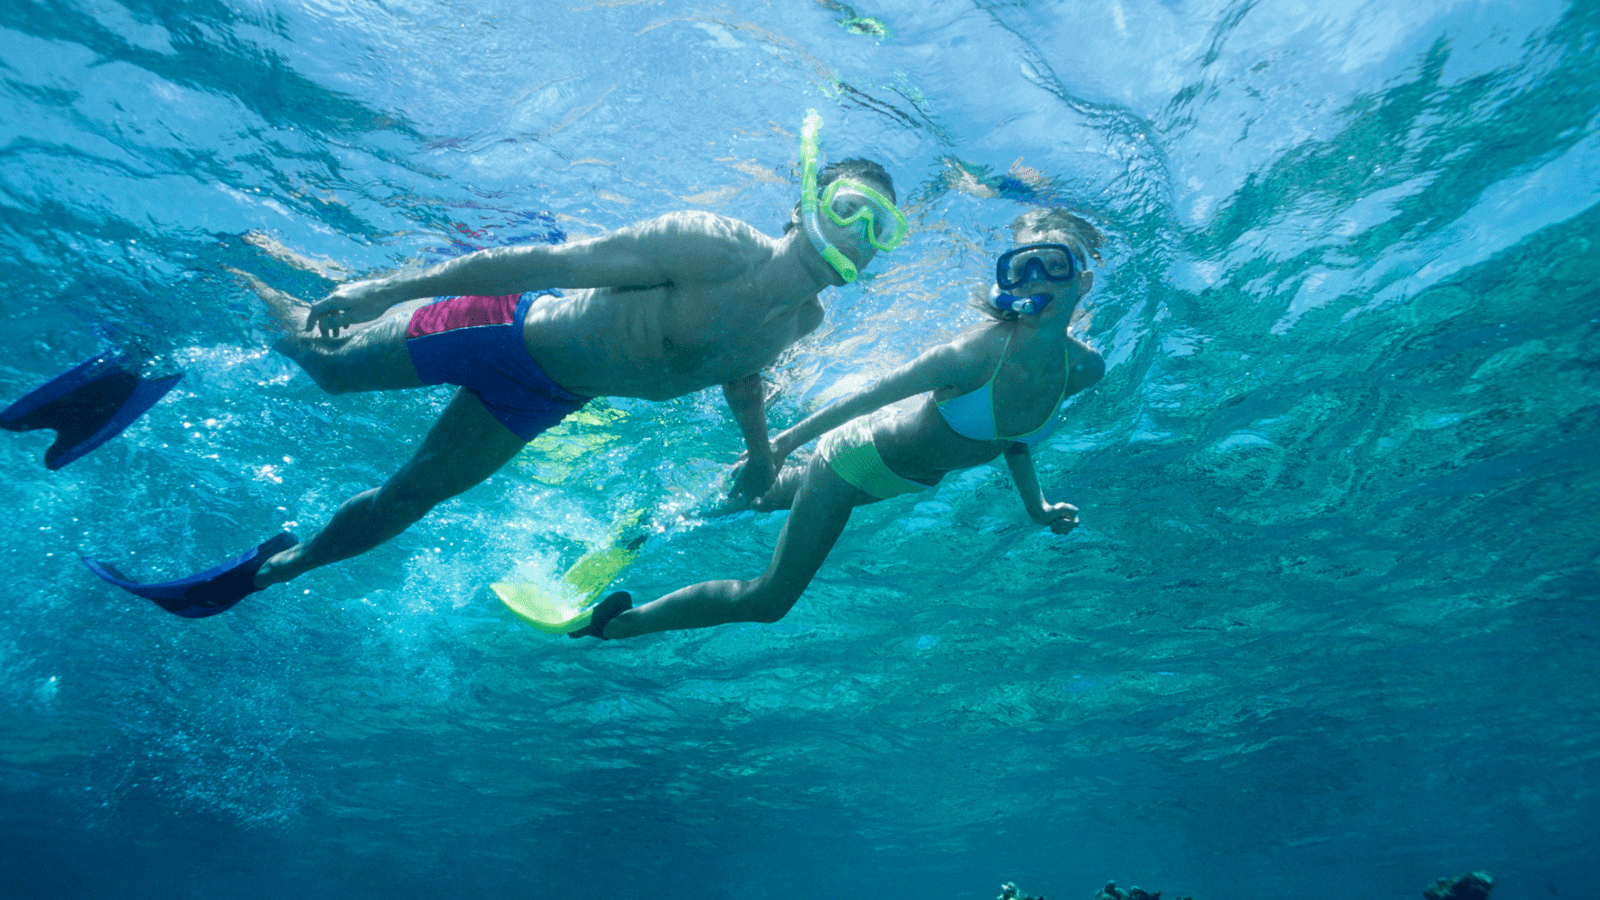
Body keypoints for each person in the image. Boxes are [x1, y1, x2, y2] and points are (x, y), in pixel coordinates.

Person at [84, 112, 909, 619]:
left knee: (407, 502)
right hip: (502, 329)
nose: (859, 241)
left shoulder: (802, 320)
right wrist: (385, 289)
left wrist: (761, 453)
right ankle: (233, 272)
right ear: (805, 199)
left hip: (546, 395)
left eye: (882, 234)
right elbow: (530, 263)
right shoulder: (711, 245)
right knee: (322, 364)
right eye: (851, 213)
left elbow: (739, 374)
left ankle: (269, 572)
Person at [578, 209, 1105, 640]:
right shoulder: (974, 354)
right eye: (1021, 268)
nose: (1034, 279)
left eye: (1051, 266)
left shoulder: (1082, 369)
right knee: (769, 601)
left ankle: (647, 526)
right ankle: (618, 625)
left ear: (1081, 282)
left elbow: (1013, 437)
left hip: (897, 481)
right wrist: (779, 444)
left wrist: (1036, 506)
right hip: (851, 462)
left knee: (749, 500)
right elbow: (870, 396)